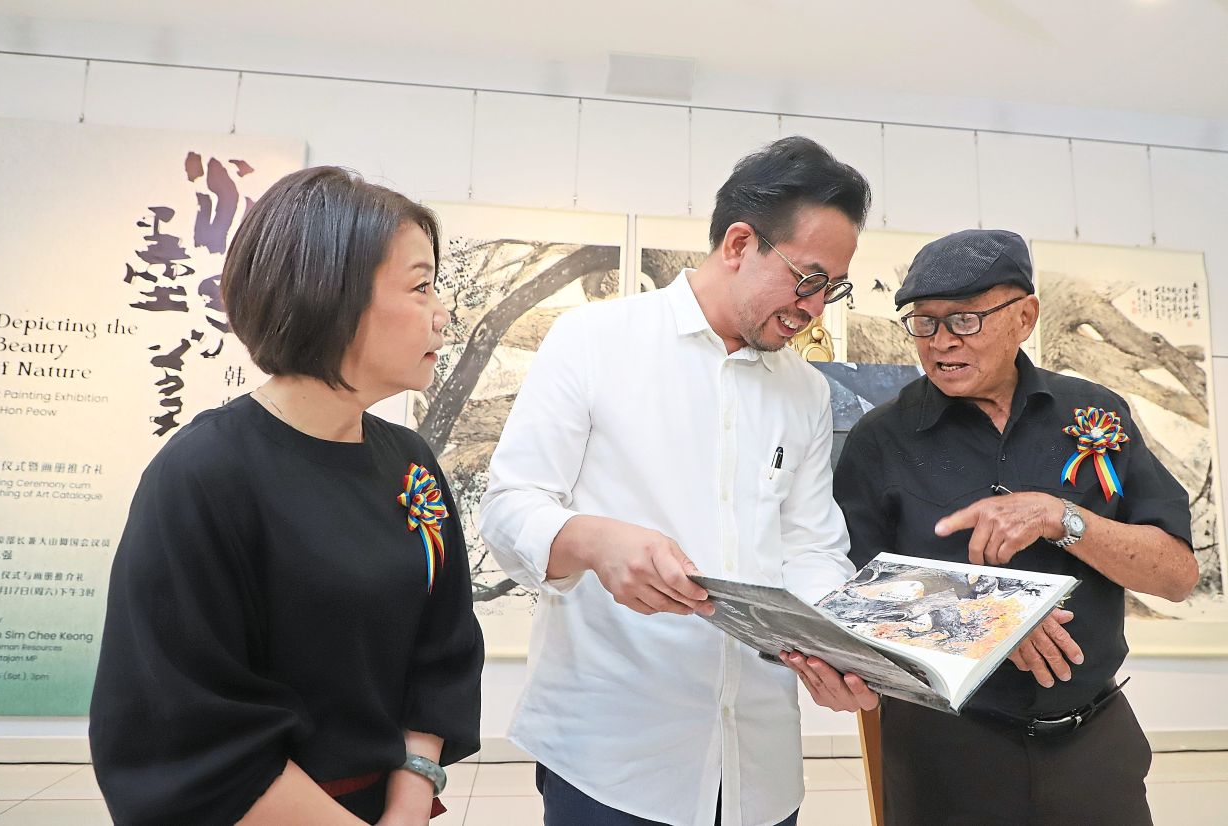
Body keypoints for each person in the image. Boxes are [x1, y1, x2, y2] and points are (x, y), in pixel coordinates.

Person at [478, 136, 871, 826]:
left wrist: (837, 647)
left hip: (758, 767)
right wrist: (594, 541)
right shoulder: (593, 340)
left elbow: (811, 548)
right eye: (808, 279)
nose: (816, 309)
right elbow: (511, 506)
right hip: (611, 758)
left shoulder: (805, 393)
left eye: (832, 288)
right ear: (739, 243)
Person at [90, 166, 485, 826]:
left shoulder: (410, 464)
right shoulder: (202, 475)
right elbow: (187, 727)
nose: (442, 312)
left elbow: (441, 650)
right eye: (421, 287)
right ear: (332, 295)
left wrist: (410, 795)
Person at [800, 228, 1197, 825]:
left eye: (963, 320)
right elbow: (851, 594)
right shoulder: (880, 439)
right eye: (924, 322)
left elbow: (1176, 575)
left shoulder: (1094, 414)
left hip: (1093, 738)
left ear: (1025, 317)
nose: (938, 343)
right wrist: (989, 624)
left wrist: (1059, 516)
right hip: (946, 743)